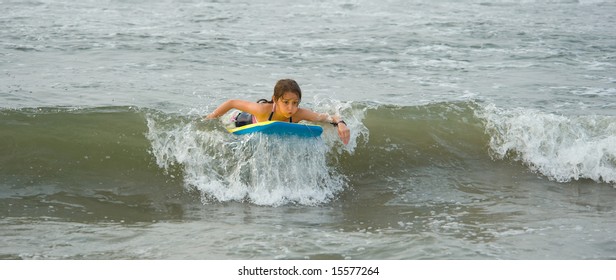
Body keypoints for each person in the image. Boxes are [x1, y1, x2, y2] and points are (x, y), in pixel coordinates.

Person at [205, 79, 351, 145]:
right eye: (285, 102)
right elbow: (231, 103)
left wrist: (341, 123)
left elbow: (327, 118)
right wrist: (210, 118)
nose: (291, 108)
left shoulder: (298, 114)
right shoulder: (262, 110)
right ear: (275, 100)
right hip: (238, 120)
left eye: (295, 103)